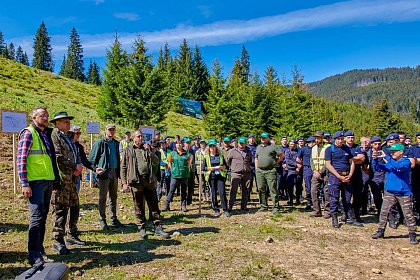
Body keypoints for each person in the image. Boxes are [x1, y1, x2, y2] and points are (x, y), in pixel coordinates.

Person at [17, 106, 61, 266]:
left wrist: (54, 180)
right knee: (36, 219)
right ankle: (34, 255)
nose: (46, 118)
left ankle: (40, 251)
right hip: (35, 183)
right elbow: (21, 159)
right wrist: (24, 183)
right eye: (42, 115)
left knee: (42, 218)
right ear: (34, 117)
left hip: (47, 182)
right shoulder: (29, 134)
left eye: (47, 115)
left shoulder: (45, 134)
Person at [120, 130, 169, 239]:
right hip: (136, 182)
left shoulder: (147, 148)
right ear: (133, 138)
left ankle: (157, 227)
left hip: (149, 180)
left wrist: (150, 153)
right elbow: (123, 168)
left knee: (154, 205)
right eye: (139, 136)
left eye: (142, 136)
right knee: (138, 206)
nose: (141, 138)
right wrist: (124, 183)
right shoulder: (128, 150)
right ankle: (142, 227)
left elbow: (157, 161)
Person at [371, 143, 418, 245]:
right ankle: (380, 230)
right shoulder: (391, 162)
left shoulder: (406, 161)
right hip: (390, 192)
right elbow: (378, 168)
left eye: (394, 151)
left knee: (408, 215)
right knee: (384, 212)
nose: (391, 153)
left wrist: (386, 157)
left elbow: (397, 167)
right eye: (390, 151)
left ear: (401, 152)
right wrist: (374, 160)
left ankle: (412, 234)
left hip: (404, 192)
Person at [50, 111, 83, 254]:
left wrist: (78, 166)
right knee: (60, 209)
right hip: (62, 179)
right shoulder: (55, 136)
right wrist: (73, 166)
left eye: (68, 121)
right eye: (65, 121)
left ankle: (72, 233)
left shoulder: (69, 137)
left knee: (75, 206)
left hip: (72, 178)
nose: (68, 123)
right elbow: (57, 156)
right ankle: (57, 240)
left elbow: (76, 154)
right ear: (57, 123)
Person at [325, 131, 362, 228]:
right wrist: (338, 176)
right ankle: (334, 218)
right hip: (335, 177)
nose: (340, 141)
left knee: (347, 198)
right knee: (334, 198)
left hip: (347, 176)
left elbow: (352, 162)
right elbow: (328, 164)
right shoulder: (330, 149)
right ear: (335, 139)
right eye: (338, 139)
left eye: (341, 139)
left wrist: (350, 175)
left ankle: (349, 218)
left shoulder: (347, 149)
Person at [67, 125, 95, 247]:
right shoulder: (66, 145)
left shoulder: (79, 146)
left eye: (79, 133)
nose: (77, 135)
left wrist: (94, 168)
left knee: (74, 205)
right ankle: (65, 232)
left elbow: (85, 161)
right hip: (66, 179)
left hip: (76, 179)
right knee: (65, 206)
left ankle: (71, 231)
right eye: (76, 133)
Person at [90, 124, 122, 230]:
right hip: (104, 172)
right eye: (109, 130)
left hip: (114, 171)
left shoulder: (117, 143)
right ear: (105, 131)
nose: (111, 132)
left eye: (113, 130)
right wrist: (95, 170)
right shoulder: (100, 142)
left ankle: (113, 218)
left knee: (113, 196)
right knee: (102, 197)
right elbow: (92, 158)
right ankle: (102, 220)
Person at [255, 132, 284, 214]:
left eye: (264, 138)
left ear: (268, 139)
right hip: (260, 171)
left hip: (270, 171)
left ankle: (275, 206)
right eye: (261, 137)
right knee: (261, 188)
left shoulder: (273, 146)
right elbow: (256, 158)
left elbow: (281, 155)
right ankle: (263, 206)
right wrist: (257, 168)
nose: (262, 139)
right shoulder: (258, 147)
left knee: (272, 188)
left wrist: (275, 162)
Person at [344, 131, 366, 224]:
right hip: (347, 175)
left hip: (357, 175)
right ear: (345, 138)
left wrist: (350, 159)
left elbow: (362, 159)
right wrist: (355, 159)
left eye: (352, 137)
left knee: (357, 196)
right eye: (348, 137)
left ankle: (356, 215)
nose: (350, 139)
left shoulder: (357, 147)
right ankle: (347, 215)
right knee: (347, 197)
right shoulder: (343, 148)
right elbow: (342, 160)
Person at [203, 139, 229, 217]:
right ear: (209, 148)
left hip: (220, 176)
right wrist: (212, 168)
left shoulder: (220, 156)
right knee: (213, 193)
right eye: (210, 146)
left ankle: (225, 209)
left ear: (216, 147)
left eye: (213, 146)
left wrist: (221, 167)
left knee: (222, 192)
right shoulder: (206, 157)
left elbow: (226, 166)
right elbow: (204, 168)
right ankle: (216, 209)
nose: (212, 148)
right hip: (211, 176)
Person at [163, 140, 191, 212]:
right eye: (177, 144)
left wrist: (186, 170)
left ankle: (183, 206)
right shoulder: (172, 153)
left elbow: (188, 163)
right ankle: (166, 205)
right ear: (175, 145)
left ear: (182, 145)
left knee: (184, 191)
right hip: (175, 175)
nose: (179, 145)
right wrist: (172, 170)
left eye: (180, 143)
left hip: (184, 175)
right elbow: (169, 162)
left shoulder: (187, 154)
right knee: (171, 190)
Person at [227, 136, 252, 214]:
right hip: (236, 173)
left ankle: (243, 206)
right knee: (233, 190)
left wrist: (246, 167)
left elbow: (250, 160)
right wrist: (234, 168)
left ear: (245, 143)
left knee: (245, 190)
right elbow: (228, 161)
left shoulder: (248, 151)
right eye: (240, 143)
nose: (241, 144)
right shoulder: (232, 151)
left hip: (246, 173)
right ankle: (230, 207)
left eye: (243, 143)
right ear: (238, 143)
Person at [309, 131, 331, 218]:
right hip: (316, 173)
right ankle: (317, 210)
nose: (317, 139)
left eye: (318, 138)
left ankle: (327, 211)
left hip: (326, 173)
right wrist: (314, 171)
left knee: (327, 192)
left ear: (322, 138)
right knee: (313, 191)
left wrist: (321, 172)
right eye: (316, 138)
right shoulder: (313, 148)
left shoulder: (328, 147)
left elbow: (329, 161)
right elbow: (311, 160)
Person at [364, 136, 385, 216]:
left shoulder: (383, 152)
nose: (377, 146)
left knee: (387, 196)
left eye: (379, 144)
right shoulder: (368, 153)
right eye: (375, 144)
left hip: (384, 175)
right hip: (373, 177)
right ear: (372, 144)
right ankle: (380, 210)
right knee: (376, 196)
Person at [297, 136, 315, 210]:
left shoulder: (315, 149)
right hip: (307, 168)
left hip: (315, 169)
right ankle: (308, 202)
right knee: (308, 186)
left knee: (316, 186)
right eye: (314, 142)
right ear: (311, 142)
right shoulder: (303, 149)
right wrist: (303, 163)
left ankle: (316, 202)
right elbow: (298, 159)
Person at [284, 140, 302, 206]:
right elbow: (288, 160)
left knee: (298, 186)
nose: (290, 145)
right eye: (290, 144)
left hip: (299, 170)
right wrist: (296, 165)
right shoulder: (287, 151)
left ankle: (298, 200)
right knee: (290, 186)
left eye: (292, 144)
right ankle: (290, 200)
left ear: (296, 144)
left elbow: (302, 159)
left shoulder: (300, 150)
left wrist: (299, 167)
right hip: (291, 170)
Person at [408, 132, 420, 219]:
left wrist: (417, 160)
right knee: (417, 197)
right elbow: (412, 162)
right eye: (419, 138)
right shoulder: (413, 148)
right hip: (416, 175)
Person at [183, 137, 196, 205]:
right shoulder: (182, 151)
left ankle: (189, 200)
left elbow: (194, 161)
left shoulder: (192, 151)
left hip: (191, 171)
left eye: (189, 143)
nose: (188, 145)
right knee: (184, 186)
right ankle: (183, 200)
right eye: (186, 143)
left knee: (191, 186)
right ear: (184, 144)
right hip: (184, 172)